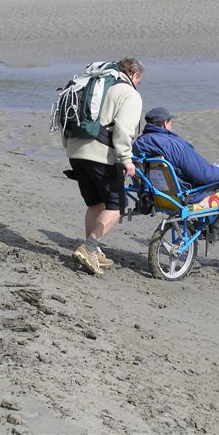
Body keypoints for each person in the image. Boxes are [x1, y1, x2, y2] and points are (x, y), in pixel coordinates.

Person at [66, 57, 144, 276]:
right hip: (99, 153)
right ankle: (89, 248)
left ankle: (94, 249)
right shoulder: (129, 94)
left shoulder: (94, 84)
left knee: (95, 203)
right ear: (133, 74)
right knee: (116, 206)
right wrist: (127, 160)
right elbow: (124, 130)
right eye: (139, 79)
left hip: (75, 150)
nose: (138, 84)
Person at [132, 107, 219, 202]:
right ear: (165, 124)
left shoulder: (137, 144)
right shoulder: (173, 144)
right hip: (182, 197)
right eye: (171, 122)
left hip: (153, 195)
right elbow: (202, 174)